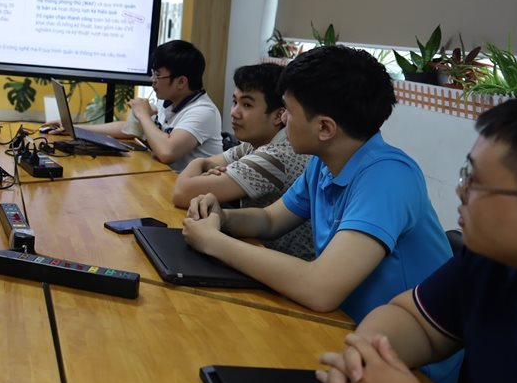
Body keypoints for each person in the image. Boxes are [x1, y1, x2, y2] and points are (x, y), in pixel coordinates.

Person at [305, 92, 517, 383]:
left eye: (478, 184)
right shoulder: (491, 264)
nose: (460, 191)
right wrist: (363, 357)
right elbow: (414, 319)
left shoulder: (390, 173)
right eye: (466, 174)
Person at [182, 46, 452, 323]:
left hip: (394, 346)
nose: (283, 119)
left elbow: (319, 288)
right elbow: (269, 220)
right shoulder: (324, 163)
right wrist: (222, 217)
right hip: (342, 324)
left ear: (325, 128)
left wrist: (213, 242)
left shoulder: (388, 178)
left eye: (289, 111)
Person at [173, 63, 313, 259]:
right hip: (254, 250)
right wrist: (202, 165)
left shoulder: (276, 156)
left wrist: (197, 164)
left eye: (247, 105)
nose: (234, 112)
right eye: (235, 102)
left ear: (278, 115)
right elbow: (207, 166)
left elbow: (181, 193)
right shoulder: (254, 144)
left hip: (272, 262)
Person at [74, 39, 222, 172]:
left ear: (181, 82)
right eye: (153, 73)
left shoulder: (203, 111)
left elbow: (167, 152)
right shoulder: (169, 100)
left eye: (158, 75)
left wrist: (143, 114)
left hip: (190, 189)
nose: (152, 79)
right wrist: (77, 129)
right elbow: (129, 129)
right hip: (162, 177)